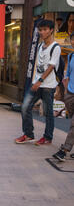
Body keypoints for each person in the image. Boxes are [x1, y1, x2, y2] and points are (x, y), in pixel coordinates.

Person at [15, 19, 61, 145]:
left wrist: (39, 81)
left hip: (47, 86)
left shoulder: (56, 47)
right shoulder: (40, 46)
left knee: (47, 112)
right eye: (40, 30)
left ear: (51, 30)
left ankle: (47, 137)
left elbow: (51, 67)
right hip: (36, 83)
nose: (42, 32)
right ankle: (29, 134)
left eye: (45, 30)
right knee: (25, 107)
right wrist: (35, 80)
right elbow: (38, 64)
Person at [53, 33, 74, 161]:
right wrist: (65, 91)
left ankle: (64, 150)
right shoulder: (71, 56)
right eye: (73, 39)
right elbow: (68, 75)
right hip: (70, 94)